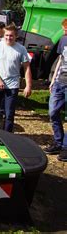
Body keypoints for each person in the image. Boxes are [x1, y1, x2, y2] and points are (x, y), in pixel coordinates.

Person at [0, 24, 32, 132]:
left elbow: (27, 68)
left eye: (11, 36)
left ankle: (7, 136)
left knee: (9, 114)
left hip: (12, 85)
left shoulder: (21, 49)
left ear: (16, 36)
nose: (8, 38)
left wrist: (28, 86)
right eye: (6, 35)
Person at [45, 19, 67, 161]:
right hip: (60, 81)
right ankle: (58, 142)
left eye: (66, 29)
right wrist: (53, 79)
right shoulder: (63, 40)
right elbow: (60, 59)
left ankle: (65, 147)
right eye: (64, 29)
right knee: (53, 112)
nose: (64, 32)